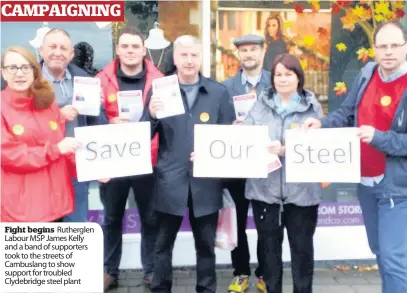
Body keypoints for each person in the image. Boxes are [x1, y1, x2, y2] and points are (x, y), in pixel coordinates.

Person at [303, 21, 407, 293]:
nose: (388, 52)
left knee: (394, 258)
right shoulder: (367, 73)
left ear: (405, 47)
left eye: (395, 45)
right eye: (382, 46)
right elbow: (347, 112)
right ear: (373, 50)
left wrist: (380, 138)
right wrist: (322, 124)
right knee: (380, 251)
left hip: (397, 186)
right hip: (366, 181)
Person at [145, 35, 235, 293]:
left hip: (206, 182)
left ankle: (206, 289)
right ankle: (161, 289)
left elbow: (228, 139)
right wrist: (151, 115)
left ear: (201, 58)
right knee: (163, 246)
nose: (189, 60)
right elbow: (144, 134)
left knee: (205, 247)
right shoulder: (160, 89)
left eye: (194, 55)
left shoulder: (218, 92)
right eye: (183, 55)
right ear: (175, 58)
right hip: (169, 181)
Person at [243, 53, 323, 293]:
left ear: (298, 78)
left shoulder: (312, 107)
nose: (283, 79)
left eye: (289, 74)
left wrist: (287, 150)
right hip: (264, 193)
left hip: (303, 194)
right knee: (269, 257)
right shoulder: (259, 105)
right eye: (278, 74)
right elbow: (245, 141)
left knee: (302, 254)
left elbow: (320, 146)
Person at [96, 25, 162, 292]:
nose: (130, 51)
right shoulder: (101, 80)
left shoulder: (161, 81)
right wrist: (108, 121)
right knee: (111, 218)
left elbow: (167, 121)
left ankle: (151, 271)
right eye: (125, 46)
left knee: (150, 218)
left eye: (135, 46)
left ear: (144, 49)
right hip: (113, 161)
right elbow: (90, 119)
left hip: (149, 158)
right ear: (117, 49)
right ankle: (109, 271)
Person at [1, 46, 79, 222]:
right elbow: (9, 155)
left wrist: (92, 169)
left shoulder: (47, 103)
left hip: (55, 205)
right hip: (21, 210)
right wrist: (55, 150)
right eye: (12, 68)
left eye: (25, 67)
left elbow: (64, 148)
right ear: (3, 73)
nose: (19, 74)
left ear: (34, 71)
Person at [39, 28, 104, 223]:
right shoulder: (28, 82)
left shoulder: (85, 79)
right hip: (41, 168)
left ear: (71, 54)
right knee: (42, 235)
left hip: (76, 169)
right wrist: (59, 115)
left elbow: (97, 124)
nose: (58, 52)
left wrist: (97, 108)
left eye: (63, 48)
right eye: (52, 47)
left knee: (76, 231)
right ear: (41, 51)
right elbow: (21, 122)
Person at [222, 34, 271, 293]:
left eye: (254, 49)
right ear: (238, 55)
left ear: (263, 52)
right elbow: (218, 124)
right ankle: (240, 273)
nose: (249, 54)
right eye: (244, 50)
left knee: (266, 226)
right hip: (236, 167)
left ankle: (264, 274)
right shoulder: (225, 87)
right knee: (236, 223)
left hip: (265, 168)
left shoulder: (277, 82)